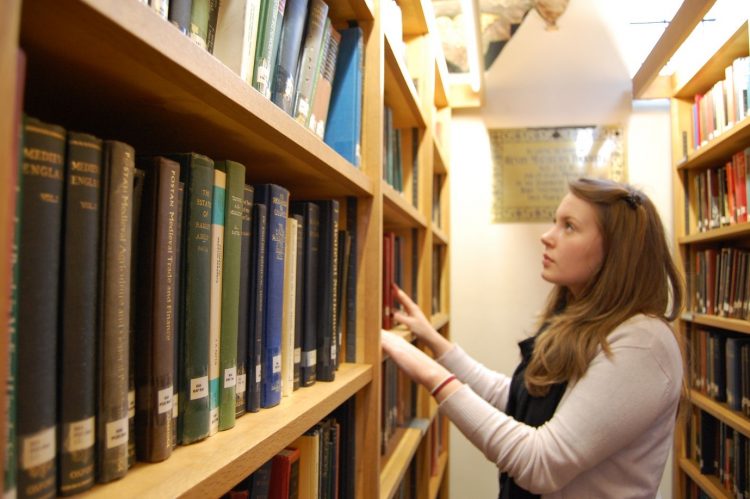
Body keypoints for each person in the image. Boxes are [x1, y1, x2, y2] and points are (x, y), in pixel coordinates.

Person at [381, 177, 685, 498]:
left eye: (568, 226)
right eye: (555, 222)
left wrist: (430, 374)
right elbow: (518, 397)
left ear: (616, 250)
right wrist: (433, 341)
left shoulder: (643, 344)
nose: (546, 236)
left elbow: (539, 463)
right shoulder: (579, 322)